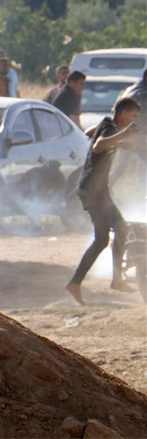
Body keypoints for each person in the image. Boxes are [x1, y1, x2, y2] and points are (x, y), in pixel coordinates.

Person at [65, 97, 141, 305]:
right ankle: (75, 283)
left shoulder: (107, 125)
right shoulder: (111, 129)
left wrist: (119, 141)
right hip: (93, 192)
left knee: (121, 229)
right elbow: (98, 146)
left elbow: (90, 134)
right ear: (123, 114)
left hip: (99, 191)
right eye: (132, 116)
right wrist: (123, 135)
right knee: (102, 239)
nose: (133, 120)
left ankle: (116, 279)